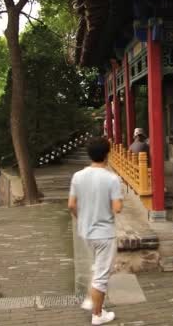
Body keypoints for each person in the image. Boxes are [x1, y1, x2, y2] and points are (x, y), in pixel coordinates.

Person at [68, 137, 123, 325]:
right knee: (101, 276)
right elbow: (117, 208)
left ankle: (93, 301)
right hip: (105, 233)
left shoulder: (78, 176)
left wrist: (82, 218)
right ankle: (97, 314)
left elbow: (71, 205)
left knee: (96, 268)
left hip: (86, 232)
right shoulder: (112, 178)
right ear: (107, 154)